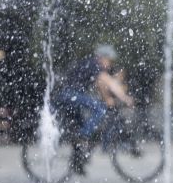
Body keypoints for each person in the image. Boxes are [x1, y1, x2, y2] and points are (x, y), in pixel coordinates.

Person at [54, 44, 134, 174]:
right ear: (102, 57)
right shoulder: (94, 64)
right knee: (99, 110)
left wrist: (108, 100)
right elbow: (109, 82)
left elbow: (100, 85)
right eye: (110, 61)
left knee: (80, 127)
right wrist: (125, 98)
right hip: (70, 95)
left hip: (70, 95)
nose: (110, 64)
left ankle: (77, 162)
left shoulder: (92, 65)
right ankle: (83, 137)